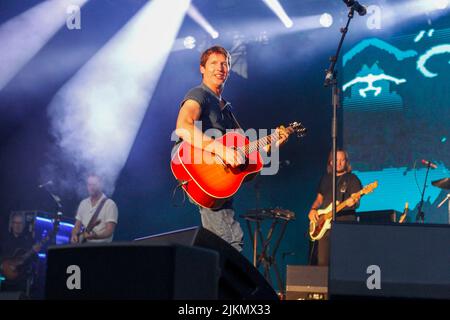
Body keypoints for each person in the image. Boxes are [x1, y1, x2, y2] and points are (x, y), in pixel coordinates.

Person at [174, 46, 288, 251]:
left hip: (219, 183)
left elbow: (246, 157)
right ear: (202, 68)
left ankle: (207, 280)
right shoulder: (198, 94)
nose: (220, 67)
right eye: (214, 63)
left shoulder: (227, 109)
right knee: (231, 242)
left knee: (218, 243)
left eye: (224, 63)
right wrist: (220, 149)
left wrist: (273, 145)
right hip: (198, 166)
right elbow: (183, 127)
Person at [308, 149, 362, 266]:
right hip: (324, 227)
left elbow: (357, 202)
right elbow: (319, 200)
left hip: (344, 225)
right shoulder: (325, 178)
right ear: (331, 162)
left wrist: (353, 202)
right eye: (336, 160)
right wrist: (312, 210)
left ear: (346, 162)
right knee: (322, 263)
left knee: (343, 263)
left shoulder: (352, 179)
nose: (339, 163)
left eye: (342, 160)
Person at [71, 174, 118, 244]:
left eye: (94, 185)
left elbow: (109, 231)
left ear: (101, 185)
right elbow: (77, 226)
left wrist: (95, 236)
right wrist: (74, 235)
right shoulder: (83, 203)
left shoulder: (110, 204)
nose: (91, 187)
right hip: (83, 246)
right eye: (89, 185)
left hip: (102, 249)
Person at [0, 212, 40, 294]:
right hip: (5, 281)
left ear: (23, 225)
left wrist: (35, 252)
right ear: (11, 224)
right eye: (15, 223)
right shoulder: (4, 240)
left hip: (22, 283)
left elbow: (35, 260)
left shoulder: (29, 240)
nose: (17, 225)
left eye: (20, 223)